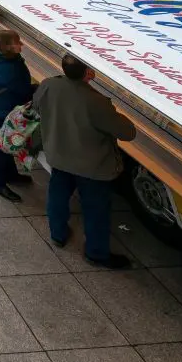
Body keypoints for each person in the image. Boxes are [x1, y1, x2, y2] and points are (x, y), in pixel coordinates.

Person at [34, 54, 137, 269]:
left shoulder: (48, 85)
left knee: (57, 196)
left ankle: (58, 234)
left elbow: (37, 106)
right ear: (89, 73)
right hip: (91, 166)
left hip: (59, 156)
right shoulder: (96, 101)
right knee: (95, 209)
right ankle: (96, 253)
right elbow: (127, 133)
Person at [0, 30, 36, 202]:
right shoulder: (8, 69)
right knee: (4, 145)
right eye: (17, 42)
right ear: (6, 47)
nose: (21, 45)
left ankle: (10, 174)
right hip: (5, 109)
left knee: (4, 139)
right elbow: (23, 90)